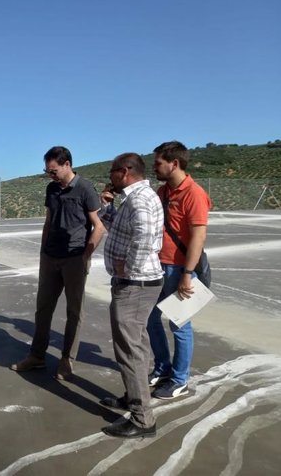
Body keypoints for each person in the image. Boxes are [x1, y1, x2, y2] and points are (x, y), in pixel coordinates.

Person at [10, 146, 105, 379]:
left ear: (67, 164)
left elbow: (99, 226)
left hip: (74, 258)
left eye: (53, 171)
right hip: (50, 257)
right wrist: (43, 251)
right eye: (47, 171)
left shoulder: (85, 188)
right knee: (43, 309)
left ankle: (67, 360)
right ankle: (37, 356)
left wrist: (85, 256)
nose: (50, 175)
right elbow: (49, 221)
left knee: (74, 311)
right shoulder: (51, 188)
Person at [99, 153, 163, 438]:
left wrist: (128, 268)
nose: (110, 175)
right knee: (136, 343)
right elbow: (123, 232)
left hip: (135, 284)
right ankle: (133, 395)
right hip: (137, 283)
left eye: (112, 171)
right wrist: (107, 208)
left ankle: (142, 419)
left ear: (124, 172)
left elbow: (144, 237)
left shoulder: (139, 199)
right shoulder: (135, 198)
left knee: (129, 350)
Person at [147, 141, 212, 400]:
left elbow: (198, 236)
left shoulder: (194, 193)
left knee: (179, 324)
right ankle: (163, 368)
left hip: (180, 269)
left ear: (174, 163)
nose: (154, 168)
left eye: (158, 163)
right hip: (157, 266)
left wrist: (187, 273)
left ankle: (179, 379)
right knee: (150, 318)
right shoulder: (163, 192)